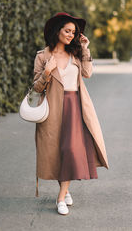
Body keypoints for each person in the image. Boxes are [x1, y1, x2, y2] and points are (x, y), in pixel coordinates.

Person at [32, 12, 109, 215]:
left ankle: (60, 199)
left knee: (70, 150)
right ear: (57, 31)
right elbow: (36, 89)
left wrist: (85, 48)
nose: (70, 35)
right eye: (67, 31)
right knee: (58, 152)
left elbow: (87, 73)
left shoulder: (75, 53)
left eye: (73, 32)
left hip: (75, 106)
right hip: (53, 108)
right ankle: (65, 191)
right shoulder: (42, 56)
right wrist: (46, 72)